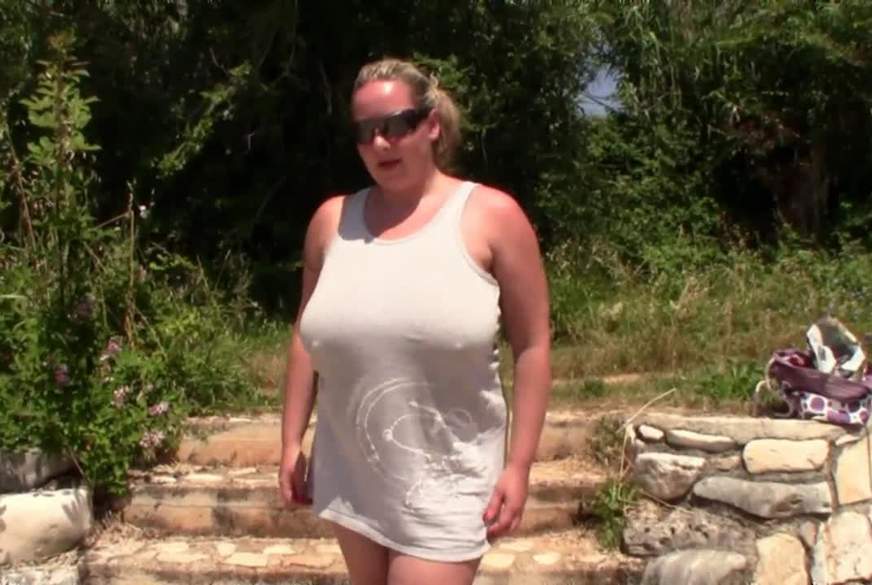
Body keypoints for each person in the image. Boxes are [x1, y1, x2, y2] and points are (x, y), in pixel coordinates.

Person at [278, 58, 551, 585]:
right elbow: (305, 336)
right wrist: (291, 441)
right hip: (351, 469)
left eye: (395, 125)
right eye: (364, 131)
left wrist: (519, 466)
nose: (380, 143)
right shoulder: (331, 222)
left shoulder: (492, 216)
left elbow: (534, 345)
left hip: (448, 476)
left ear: (431, 125)